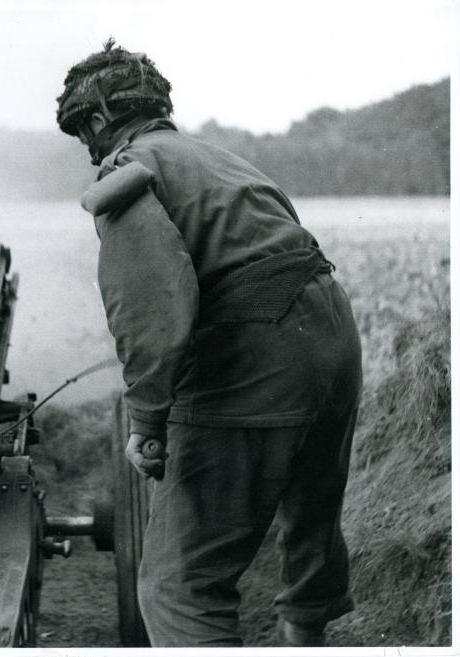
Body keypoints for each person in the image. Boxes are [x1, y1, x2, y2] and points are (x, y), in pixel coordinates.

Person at [56, 39, 363, 648]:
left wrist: (146, 419)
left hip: (258, 354)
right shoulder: (221, 159)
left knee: (178, 584)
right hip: (332, 342)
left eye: (84, 135)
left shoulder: (131, 170)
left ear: (98, 120)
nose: (90, 150)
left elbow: (150, 308)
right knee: (310, 527)